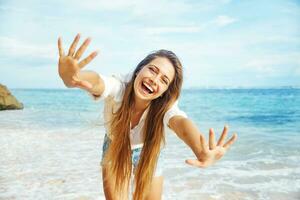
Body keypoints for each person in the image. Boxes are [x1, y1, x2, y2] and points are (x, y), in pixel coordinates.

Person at [57, 34, 238, 200]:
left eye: (164, 80)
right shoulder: (119, 87)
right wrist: (74, 76)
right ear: (139, 70)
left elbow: (181, 124)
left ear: (164, 92)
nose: (155, 79)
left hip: (149, 150)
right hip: (115, 146)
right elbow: (98, 82)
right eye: (152, 70)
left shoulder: (164, 107)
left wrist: (201, 150)